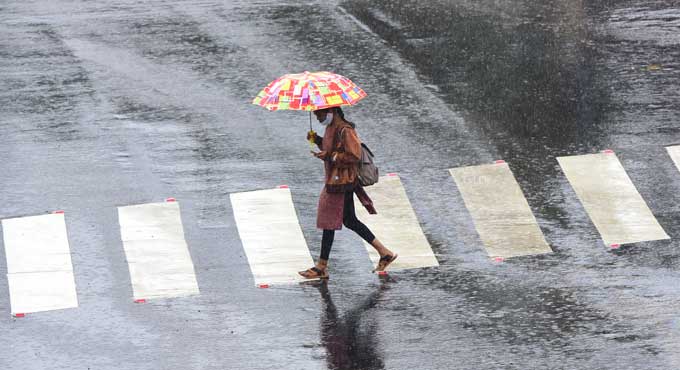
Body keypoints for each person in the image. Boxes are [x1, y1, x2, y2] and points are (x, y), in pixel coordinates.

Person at [298, 106, 397, 279]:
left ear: (332, 112)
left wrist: (330, 156)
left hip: (342, 182)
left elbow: (354, 155)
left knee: (330, 220)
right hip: (337, 181)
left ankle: (321, 266)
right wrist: (317, 140)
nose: (318, 117)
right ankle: (384, 252)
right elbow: (331, 148)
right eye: (315, 114)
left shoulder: (346, 130)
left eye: (320, 114)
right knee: (349, 220)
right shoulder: (331, 128)